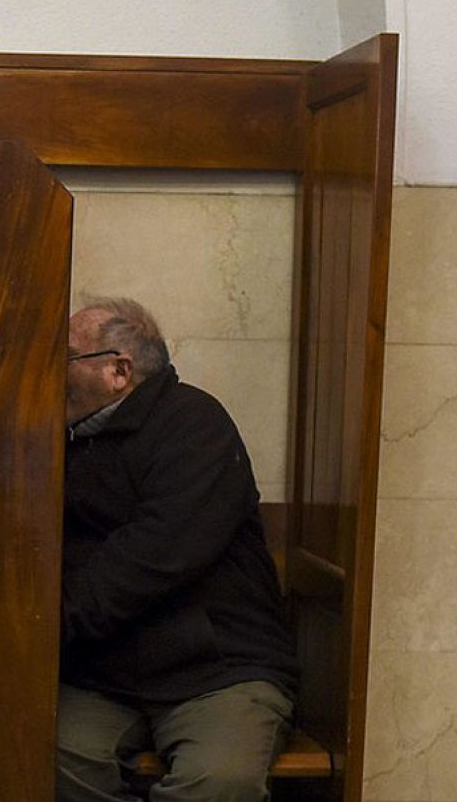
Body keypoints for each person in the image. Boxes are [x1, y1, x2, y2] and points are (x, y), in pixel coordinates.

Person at [57, 297, 300, 802]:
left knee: (217, 782)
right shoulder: (61, 440)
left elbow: (153, 557)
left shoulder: (195, 424)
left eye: (65, 357)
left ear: (118, 370)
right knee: (42, 755)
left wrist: (46, 624)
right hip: (105, 674)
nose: (49, 374)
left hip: (217, 669)